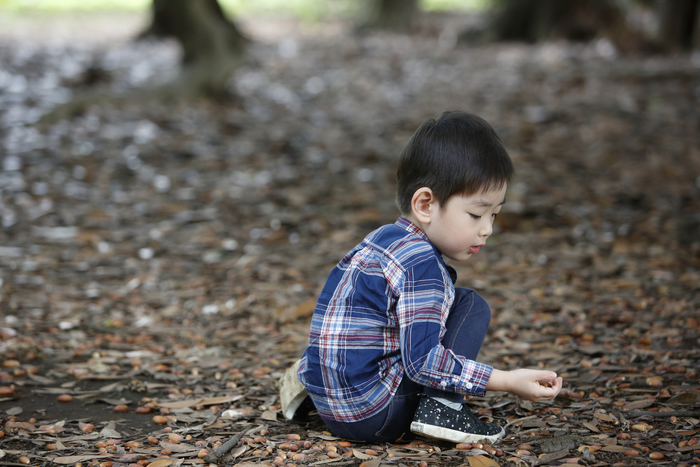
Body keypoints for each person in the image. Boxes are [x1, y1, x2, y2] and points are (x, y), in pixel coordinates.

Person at [293, 110, 563, 444]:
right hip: (375, 415)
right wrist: (505, 380)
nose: (487, 229)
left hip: (331, 405)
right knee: (471, 305)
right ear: (425, 204)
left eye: (494, 214)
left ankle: (303, 384)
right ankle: (441, 409)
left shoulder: (380, 240)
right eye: (476, 214)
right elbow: (422, 362)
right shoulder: (422, 264)